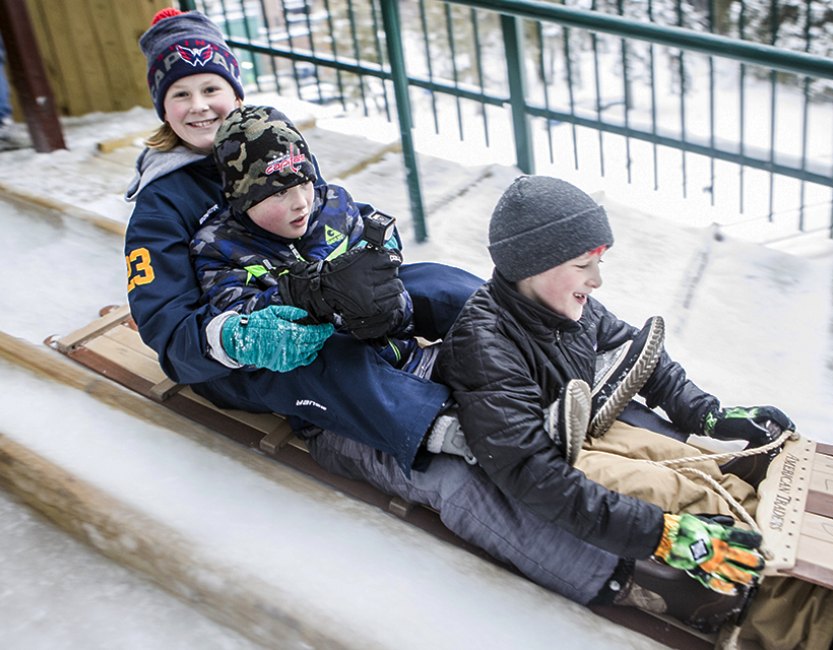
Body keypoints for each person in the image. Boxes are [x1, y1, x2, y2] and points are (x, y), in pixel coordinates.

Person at [122, 7, 676, 622]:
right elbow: (168, 330)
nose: (200, 105)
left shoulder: (269, 144)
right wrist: (246, 333)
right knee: (344, 373)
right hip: (257, 355)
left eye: (211, 88)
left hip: (327, 308)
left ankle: (557, 349)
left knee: (440, 281)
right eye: (182, 93)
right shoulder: (161, 204)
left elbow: (339, 221)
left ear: (234, 90)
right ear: (161, 105)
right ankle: (453, 433)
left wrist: (376, 274)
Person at [434, 175, 833, 649]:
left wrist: (708, 415)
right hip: (550, 454)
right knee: (675, 493)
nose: (597, 280)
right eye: (583, 266)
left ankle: (808, 567)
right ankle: (812, 626)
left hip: (583, 428)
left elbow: (639, 357)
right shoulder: (484, 343)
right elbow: (531, 473)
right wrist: (663, 536)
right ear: (533, 265)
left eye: (599, 263)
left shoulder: (570, 308)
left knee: (711, 474)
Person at [191, 103, 420, 374]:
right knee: (344, 364)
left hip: (394, 339)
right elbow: (240, 316)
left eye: (304, 183)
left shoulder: (334, 204)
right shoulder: (219, 248)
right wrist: (304, 294)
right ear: (243, 198)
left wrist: (385, 290)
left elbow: (380, 246)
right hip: (323, 363)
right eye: (279, 193)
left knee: (440, 283)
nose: (301, 203)